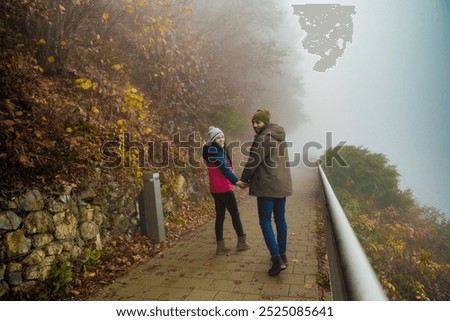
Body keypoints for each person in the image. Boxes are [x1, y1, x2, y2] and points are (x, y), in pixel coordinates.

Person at [240, 109, 293, 276]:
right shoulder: (279, 136)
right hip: (281, 184)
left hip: (267, 185)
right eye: (253, 122)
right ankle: (283, 255)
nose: (255, 125)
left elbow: (253, 161)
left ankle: (276, 259)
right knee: (280, 219)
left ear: (265, 122)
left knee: (265, 221)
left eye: (258, 122)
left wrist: (244, 179)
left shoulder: (264, 138)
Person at [202, 126, 250, 255]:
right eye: (218, 137)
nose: (221, 139)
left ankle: (220, 247)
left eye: (222, 136)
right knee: (235, 214)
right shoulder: (214, 151)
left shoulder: (213, 150)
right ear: (213, 140)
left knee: (220, 217)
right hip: (224, 188)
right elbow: (224, 167)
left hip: (215, 188)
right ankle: (242, 242)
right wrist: (236, 181)